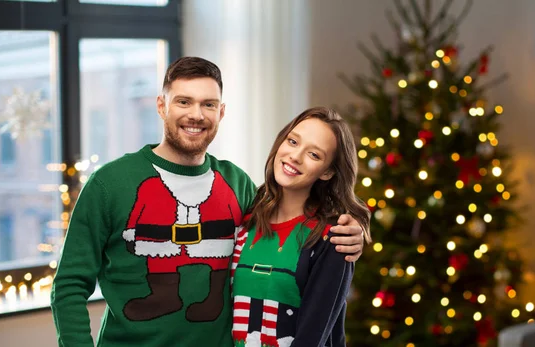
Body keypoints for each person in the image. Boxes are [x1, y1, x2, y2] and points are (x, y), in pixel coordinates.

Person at [50, 57, 366, 347]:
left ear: (221, 112)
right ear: (162, 106)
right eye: (183, 101)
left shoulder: (238, 184)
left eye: (208, 104)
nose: (196, 115)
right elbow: (68, 286)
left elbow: (291, 218)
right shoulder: (110, 184)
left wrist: (354, 229)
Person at [230, 107, 371, 347]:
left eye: (314, 155)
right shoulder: (243, 219)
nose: (295, 156)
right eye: (293, 141)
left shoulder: (333, 239)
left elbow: (313, 337)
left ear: (327, 172)